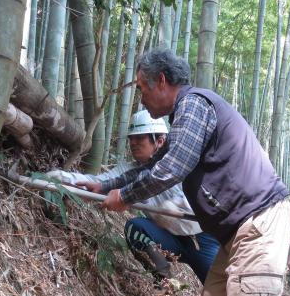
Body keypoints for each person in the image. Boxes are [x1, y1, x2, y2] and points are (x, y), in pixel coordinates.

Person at [81, 49, 290, 296]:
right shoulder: (185, 120)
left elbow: (170, 168)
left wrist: (125, 197)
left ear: (162, 81)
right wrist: (102, 183)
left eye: (143, 88)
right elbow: (151, 164)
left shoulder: (194, 104)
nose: (142, 98)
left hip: (260, 223)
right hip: (238, 230)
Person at [48, 110, 219, 284]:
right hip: (169, 239)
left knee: (222, 291)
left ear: (160, 141)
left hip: (204, 239)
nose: (133, 143)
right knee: (135, 228)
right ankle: (165, 281)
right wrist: (59, 178)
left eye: (140, 138)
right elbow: (98, 182)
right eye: (131, 139)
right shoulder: (129, 171)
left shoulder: (181, 163)